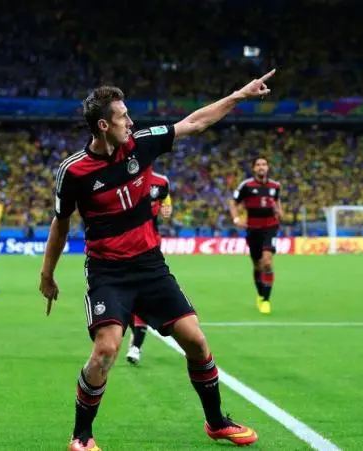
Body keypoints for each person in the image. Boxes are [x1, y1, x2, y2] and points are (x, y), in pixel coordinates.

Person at [39, 69, 276, 451]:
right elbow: (60, 224)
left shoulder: (142, 144)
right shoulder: (74, 172)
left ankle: (216, 423)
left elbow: (195, 122)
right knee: (106, 350)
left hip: (150, 268)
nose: (131, 122)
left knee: (196, 342)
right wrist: (46, 274)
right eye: (122, 117)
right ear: (103, 125)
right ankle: (82, 437)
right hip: (108, 273)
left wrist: (240, 94)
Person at [125, 170, 173, 365]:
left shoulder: (161, 182)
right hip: (121, 246)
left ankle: (136, 345)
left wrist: (166, 209)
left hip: (149, 246)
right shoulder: (120, 176)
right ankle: (135, 332)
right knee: (126, 299)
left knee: (140, 295)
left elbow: (166, 203)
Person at [229, 157, 282, 314]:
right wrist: (236, 218)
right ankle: (260, 294)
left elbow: (279, 206)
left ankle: (266, 300)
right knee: (257, 265)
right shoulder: (246, 186)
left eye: (264, 164)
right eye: (258, 165)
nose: (261, 167)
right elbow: (233, 202)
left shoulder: (275, 186)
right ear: (253, 168)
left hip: (270, 227)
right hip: (253, 229)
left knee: (266, 262)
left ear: (268, 167)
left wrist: (280, 212)